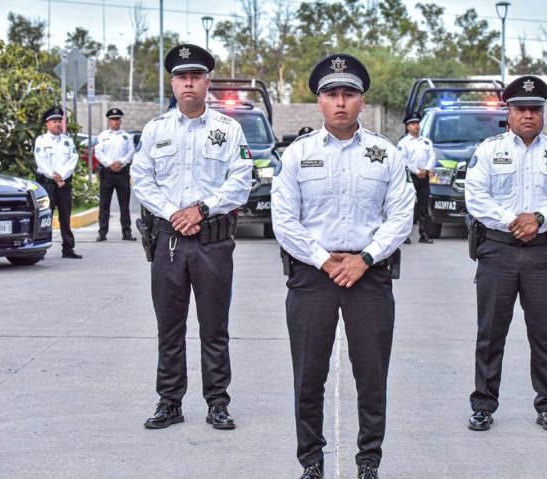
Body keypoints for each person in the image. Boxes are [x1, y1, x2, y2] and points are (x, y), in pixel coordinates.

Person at [271, 53, 414, 479]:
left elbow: (401, 215)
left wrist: (365, 258)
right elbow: (284, 219)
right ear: (319, 102)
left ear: (361, 101)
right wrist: (324, 260)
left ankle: (368, 462)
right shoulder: (298, 155)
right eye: (331, 94)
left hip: (369, 276)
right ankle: (311, 462)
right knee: (308, 376)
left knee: (371, 377)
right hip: (312, 276)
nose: (340, 102)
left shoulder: (385, 154)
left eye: (348, 94)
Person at [131, 44, 253, 430]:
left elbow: (241, 181)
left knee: (214, 327)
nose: (188, 83)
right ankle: (170, 402)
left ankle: (217, 402)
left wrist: (200, 209)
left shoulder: (228, 130)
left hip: (212, 241)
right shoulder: (156, 129)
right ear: (173, 83)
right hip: (168, 240)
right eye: (182, 77)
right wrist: (173, 213)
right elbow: (141, 179)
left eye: (195, 76)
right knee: (169, 326)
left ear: (207, 82)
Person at [464, 75, 547, 434]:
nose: (528, 115)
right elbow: (476, 196)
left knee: (545, 334)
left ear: (543, 113)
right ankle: (483, 405)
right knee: (490, 333)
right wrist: (514, 222)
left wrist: (540, 218)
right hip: (497, 251)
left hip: (542, 255)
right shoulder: (489, 150)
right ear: (509, 113)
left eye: (534, 109)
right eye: (520, 109)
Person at [33, 106, 82, 259]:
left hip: (64, 184)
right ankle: (40, 249)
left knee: (65, 216)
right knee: (45, 217)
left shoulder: (67, 141)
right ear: (47, 124)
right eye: (54, 121)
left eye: (59, 121)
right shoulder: (41, 140)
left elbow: (73, 159)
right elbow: (41, 161)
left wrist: (62, 176)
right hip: (48, 183)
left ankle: (68, 248)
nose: (57, 124)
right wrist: (54, 176)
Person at [95, 108, 137, 242]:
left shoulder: (126, 136)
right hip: (107, 173)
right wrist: (109, 164)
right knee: (104, 205)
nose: (115, 122)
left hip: (122, 173)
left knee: (124, 205)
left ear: (121, 120)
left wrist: (121, 162)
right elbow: (98, 152)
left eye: (117, 119)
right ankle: (102, 233)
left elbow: (131, 151)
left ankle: (127, 232)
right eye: (113, 119)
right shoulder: (102, 136)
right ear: (109, 121)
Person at [397, 111, 436, 243]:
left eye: (417, 123)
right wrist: (416, 171)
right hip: (410, 177)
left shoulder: (426, 142)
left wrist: (426, 170)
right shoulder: (404, 142)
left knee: (423, 207)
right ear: (408, 127)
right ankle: (404, 236)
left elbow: (432, 156)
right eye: (413, 124)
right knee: (407, 207)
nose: (416, 126)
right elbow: (403, 160)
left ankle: (424, 235)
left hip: (424, 177)